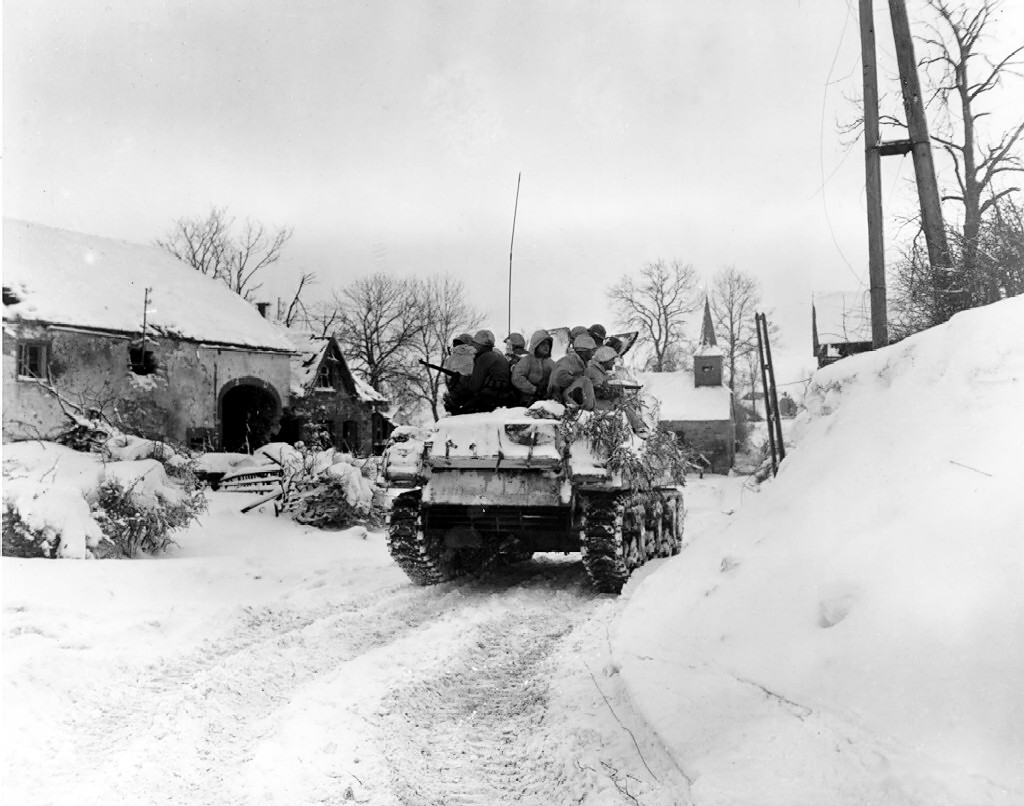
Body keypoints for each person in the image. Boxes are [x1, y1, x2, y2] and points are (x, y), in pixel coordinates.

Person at [447, 329, 514, 414]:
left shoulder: (483, 358)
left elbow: (474, 386)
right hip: (504, 397)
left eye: (475, 344)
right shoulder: (500, 356)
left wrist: (462, 378)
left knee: (459, 413)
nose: (474, 346)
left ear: (480, 345)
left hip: (488, 399)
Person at [548, 333, 597, 410]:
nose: (593, 353)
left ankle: (588, 410)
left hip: (566, 396)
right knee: (585, 381)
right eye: (592, 351)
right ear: (583, 351)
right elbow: (560, 377)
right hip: (558, 398)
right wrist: (576, 379)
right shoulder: (569, 361)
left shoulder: (583, 363)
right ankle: (583, 410)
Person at [511, 329, 555, 406]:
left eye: (548, 344)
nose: (546, 346)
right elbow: (517, 378)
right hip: (526, 402)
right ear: (536, 345)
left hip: (546, 401)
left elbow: (557, 378)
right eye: (543, 343)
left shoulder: (551, 363)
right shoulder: (526, 361)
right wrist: (534, 390)